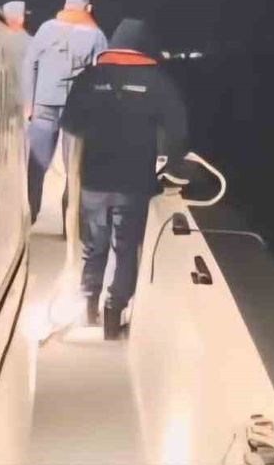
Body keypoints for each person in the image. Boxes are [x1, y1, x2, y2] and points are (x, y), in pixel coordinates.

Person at [61, 18, 189, 339]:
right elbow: (178, 132)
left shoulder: (89, 78)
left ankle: (88, 303)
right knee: (126, 247)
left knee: (94, 245)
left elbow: (71, 124)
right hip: (134, 182)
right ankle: (113, 310)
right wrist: (167, 164)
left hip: (94, 179)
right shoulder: (159, 82)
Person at [21, 0, 108, 232]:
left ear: (66, 5)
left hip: (43, 104)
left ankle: (30, 217)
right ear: (88, 8)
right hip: (77, 110)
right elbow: (103, 75)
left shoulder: (46, 29)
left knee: (37, 165)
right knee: (75, 171)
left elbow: (30, 63)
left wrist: (29, 102)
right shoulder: (96, 35)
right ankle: (70, 227)